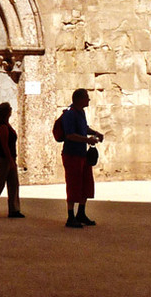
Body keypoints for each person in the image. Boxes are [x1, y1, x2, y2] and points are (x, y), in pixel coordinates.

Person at [60, 88, 104, 227]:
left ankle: (81, 213)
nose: (89, 99)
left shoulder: (81, 112)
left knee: (86, 183)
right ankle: (70, 216)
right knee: (73, 184)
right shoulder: (69, 114)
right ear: (79, 99)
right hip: (71, 154)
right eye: (86, 97)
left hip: (82, 154)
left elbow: (84, 128)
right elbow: (69, 135)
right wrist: (87, 140)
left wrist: (95, 132)